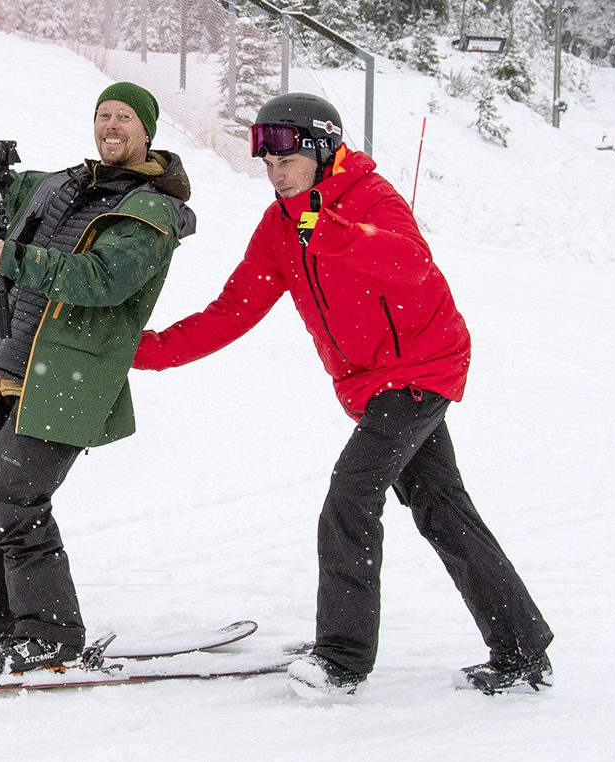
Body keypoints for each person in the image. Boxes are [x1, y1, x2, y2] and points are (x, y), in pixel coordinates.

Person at [133, 92, 553, 696]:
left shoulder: (369, 198)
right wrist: (142, 352)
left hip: (419, 370)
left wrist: (325, 229)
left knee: (350, 498)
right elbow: (231, 312)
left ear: (322, 149)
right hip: (371, 383)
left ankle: (342, 658)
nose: (275, 175)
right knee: (443, 511)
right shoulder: (280, 225)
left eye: (286, 161)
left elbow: (411, 264)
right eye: (268, 164)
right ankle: (522, 648)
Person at [0, 83, 196, 675]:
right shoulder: (59, 185)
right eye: (103, 116)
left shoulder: (151, 212)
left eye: (124, 118)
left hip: (66, 378)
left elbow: (104, 279)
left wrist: (18, 259)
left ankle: (51, 632)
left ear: (147, 132)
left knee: (15, 501)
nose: (111, 126)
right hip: (4, 365)